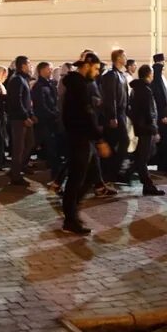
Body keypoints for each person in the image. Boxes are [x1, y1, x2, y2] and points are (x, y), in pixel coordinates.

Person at [61, 52, 104, 235]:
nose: (96, 73)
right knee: (76, 179)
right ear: (86, 66)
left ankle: (72, 211)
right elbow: (85, 114)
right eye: (95, 69)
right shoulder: (78, 86)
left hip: (84, 138)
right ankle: (70, 218)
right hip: (80, 138)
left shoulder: (81, 84)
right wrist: (99, 139)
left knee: (91, 176)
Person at [127, 64, 165, 196]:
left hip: (140, 127)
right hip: (146, 129)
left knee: (143, 155)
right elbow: (150, 112)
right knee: (143, 158)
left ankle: (129, 173)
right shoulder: (145, 90)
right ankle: (148, 186)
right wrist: (154, 129)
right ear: (149, 74)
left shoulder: (136, 89)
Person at [99, 49, 129, 183]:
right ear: (118, 58)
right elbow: (110, 97)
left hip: (121, 114)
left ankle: (112, 171)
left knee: (115, 143)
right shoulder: (110, 75)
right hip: (115, 116)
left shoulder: (121, 75)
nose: (126, 58)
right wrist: (113, 116)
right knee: (119, 142)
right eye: (124, 56)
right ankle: (109, 172)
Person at [32, 61, 63, 190]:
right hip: (45, 121)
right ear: (41, 71)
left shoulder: (50, 84)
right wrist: (53, 114)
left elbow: (54, 101)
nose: (51, 71)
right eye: (48, 69)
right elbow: (41, 105)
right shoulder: (39, 86)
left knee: (52, 146)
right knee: (49, 146)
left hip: (52, 120)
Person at [6, 56, 36, 186]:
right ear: (23, 65)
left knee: (30, 143)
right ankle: (16, 176)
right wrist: (25, 117)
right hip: (19, 119)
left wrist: (31, 114)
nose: (30, 66)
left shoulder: (23, 79)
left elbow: (26, 100)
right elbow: (17, 101)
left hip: (25, 117)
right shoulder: (17, 80)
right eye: (29, 64)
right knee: (19, 148)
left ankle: (18, 167)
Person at [149, 53, 167, 173]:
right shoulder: (157, 81)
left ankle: (165, 162)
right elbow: (159, 98)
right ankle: (163, 163)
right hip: (161, 115)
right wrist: (163, 115)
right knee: (163, 139)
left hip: (165, 112)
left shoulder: (162, 79)